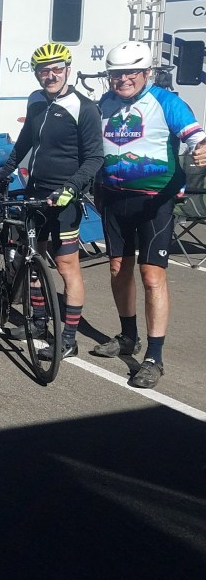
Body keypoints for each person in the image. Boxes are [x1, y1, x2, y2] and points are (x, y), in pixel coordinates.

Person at [92, 40, 206, 388]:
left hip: (155, 202)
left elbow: (195, 136)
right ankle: (128, 336)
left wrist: (202, 148)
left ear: (146, 73)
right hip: (114, 199)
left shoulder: (167, 101)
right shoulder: (105, 103)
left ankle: (154, 357)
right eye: (116, 73)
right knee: (118, 269)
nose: (123, 79)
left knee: (152, 276)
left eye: (131, 72)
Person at [0, 42, 104, 360]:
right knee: (33, 259)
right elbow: (26, 139)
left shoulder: (84, 107)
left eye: (56, 69)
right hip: (36, 194)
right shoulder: (36, 100)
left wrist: (72, 187)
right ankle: (38, 323)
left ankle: (68, 339)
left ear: (68, 70)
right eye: (43, 70)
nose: (50, 75)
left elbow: (95, 158)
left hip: (65, 197)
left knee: (67, 266)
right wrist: (5, 171)